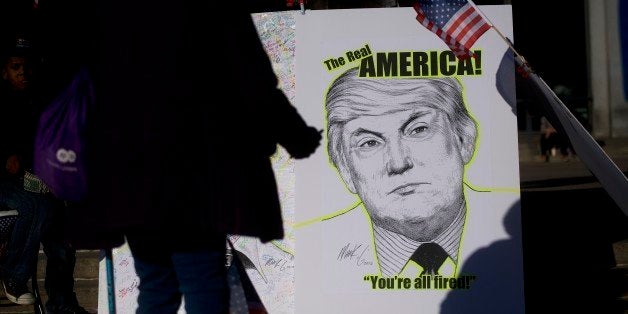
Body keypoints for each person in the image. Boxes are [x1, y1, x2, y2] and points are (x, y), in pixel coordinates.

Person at [38, 2, 321, 313]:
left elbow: (72, 70)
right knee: (203, 282)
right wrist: (295, 135)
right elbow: (251, 76)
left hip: (128, 169)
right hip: (195, 166)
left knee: (157, 284)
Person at [322, 67, 478, 277]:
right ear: (345, 170)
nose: (398, 162)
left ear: (463, 140)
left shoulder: (515, 225)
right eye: (369, 143)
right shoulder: (312, 247)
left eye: (418, 130)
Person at [0, 31, 89, 313]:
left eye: (27, 66)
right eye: (16, 67)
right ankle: (14, 277)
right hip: (7, 185)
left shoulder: (40, 101)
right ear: (4, 71)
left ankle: (62, 302)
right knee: (36, 206)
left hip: (34, 180)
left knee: (61, 228)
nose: (23, 72)